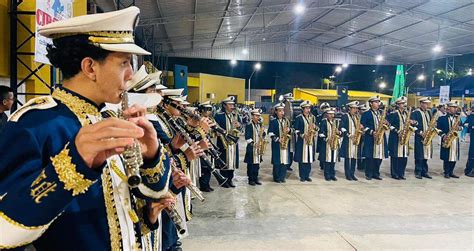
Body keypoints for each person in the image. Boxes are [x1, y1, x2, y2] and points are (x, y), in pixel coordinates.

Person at [0, 7, 186, 250]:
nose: (130, 75)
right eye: (124, 63)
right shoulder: (34, 123)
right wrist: (72, 164)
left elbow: (150, 194)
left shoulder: (106, 117)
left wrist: (151, 155)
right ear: (90, 67)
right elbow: (5, 229)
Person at [215, 96, 242, 188]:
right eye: (230, 104)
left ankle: (230, 179)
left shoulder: (235, 115)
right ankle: (224, 180)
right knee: (224, 161)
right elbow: (215, 127)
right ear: (224, 105)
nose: (232, 106)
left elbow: (240, 127)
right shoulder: (219, 115)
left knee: (232, 162)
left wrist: (239, 126)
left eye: (233, 104)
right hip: (223, 142)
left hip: (233, 143)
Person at [387, 96, 416, 180]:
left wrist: (413, 122)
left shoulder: (407, 113)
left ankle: (401, 173)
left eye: (404, 103)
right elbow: (388, 125)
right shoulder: (393, 114)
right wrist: (397, 131)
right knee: (395, 157)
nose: (404, 105)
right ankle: (394, 173)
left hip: (405, 138)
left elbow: (412, 123)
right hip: (395, 138)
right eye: (402, 104)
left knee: (404, 157)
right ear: (398, 105)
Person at [361, 96, 388, 180]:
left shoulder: (381, 113)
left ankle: (376, 173)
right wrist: (372, 132)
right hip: (370, 138)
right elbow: (362, 126)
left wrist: (386, 123)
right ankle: (368, 174)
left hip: (381, 138)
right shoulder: (366, 114)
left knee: (379, 157)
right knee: (370, 157)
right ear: (371, 104)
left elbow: (387, 124)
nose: (377, 104)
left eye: (378, 102)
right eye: (375, 102)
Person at [410, 97, 434, 179]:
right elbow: (412, 125)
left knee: (426, 155)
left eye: (427, 103)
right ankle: (418, 171)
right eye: (425, 103)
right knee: (419, 155)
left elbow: (430, 123)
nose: (427, 105)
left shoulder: (429, 112)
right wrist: (420, 132)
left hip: (427, 136)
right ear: (421, 103)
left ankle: (424, 171)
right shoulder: (415, 113)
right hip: (419, 137)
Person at [437, 101, 462, 179]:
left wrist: (459, 128)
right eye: (453, 108)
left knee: (454, 156)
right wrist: (443, 135)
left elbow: (462, 127)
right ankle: (446, 172)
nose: (455, 109)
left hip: (455, 140)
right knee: (447, 156)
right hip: (446, 139)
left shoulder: (457, 118)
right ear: (448, 108)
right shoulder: (442, 118)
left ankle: (451, 172)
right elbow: (438, 129)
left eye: (455, 108)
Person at [294, 101, 317, 182]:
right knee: (302, 159)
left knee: (309, 159)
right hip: (302, 142)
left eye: (309, 108)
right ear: (303, 109)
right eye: (306, 108)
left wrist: (315, 128)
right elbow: (295, 130)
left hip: (310, 141)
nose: (308, 110)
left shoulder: (313, 117)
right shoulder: (299, 118)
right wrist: (302, 135)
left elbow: (317, 127)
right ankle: (302, 176)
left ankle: (307, 175)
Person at [268, 102, 292, 183]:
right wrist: (278, 139)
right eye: (280, 111)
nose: (282, 112)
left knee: (284, 161)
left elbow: (292, 130)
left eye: (283, 111)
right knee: (277, 161)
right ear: (276, 112)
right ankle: (276, 177)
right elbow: (270, 133)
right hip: (277, 145)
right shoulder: (273, 121)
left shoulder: (286, 121)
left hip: (285, 144)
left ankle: (282, 177)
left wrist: (289, 130)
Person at [340, 101, 362, 181]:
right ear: (349, 108)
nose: (355, 110)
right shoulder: (345, 116)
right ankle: (347, 174)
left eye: (356, 108)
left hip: (356, 139)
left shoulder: (357, 117)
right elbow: (341, 127)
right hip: (348, 140)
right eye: (354, 108)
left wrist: (361, 128)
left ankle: (352, 174)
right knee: (347, 158)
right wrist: (348, 134)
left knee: (354, 157)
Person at [244, 109, 265, 186]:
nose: (258, 117)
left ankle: (256, 178)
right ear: (252, 116)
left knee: (257, 164)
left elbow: (263, 134)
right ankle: (250, 179)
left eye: (259, 116)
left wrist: (263, 134)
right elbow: (247, 137)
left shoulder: (259, 125)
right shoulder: (249, 125)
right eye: (256, 116)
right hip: (251, 148)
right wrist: (253, 143)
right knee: (251, 165)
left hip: (258, 147)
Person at [319, 107, 341, 181]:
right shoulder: (324, 122)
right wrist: (326, 139)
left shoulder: (336, 122)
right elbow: (320, 133)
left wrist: (339, 133)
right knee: (327, 160)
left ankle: (332, 174)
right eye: (330, 114)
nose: (332, 115)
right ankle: (327, 175)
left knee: (333, 160)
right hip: (327, 144)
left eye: (333, 114)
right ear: (327, 114)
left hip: (334, 142)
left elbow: (340, 132)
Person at [464, 104, 474, 177]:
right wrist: (472, 126)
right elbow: (465, 124)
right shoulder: (471, 116)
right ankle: (469, 170)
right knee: (472, 153)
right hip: (473, 138)